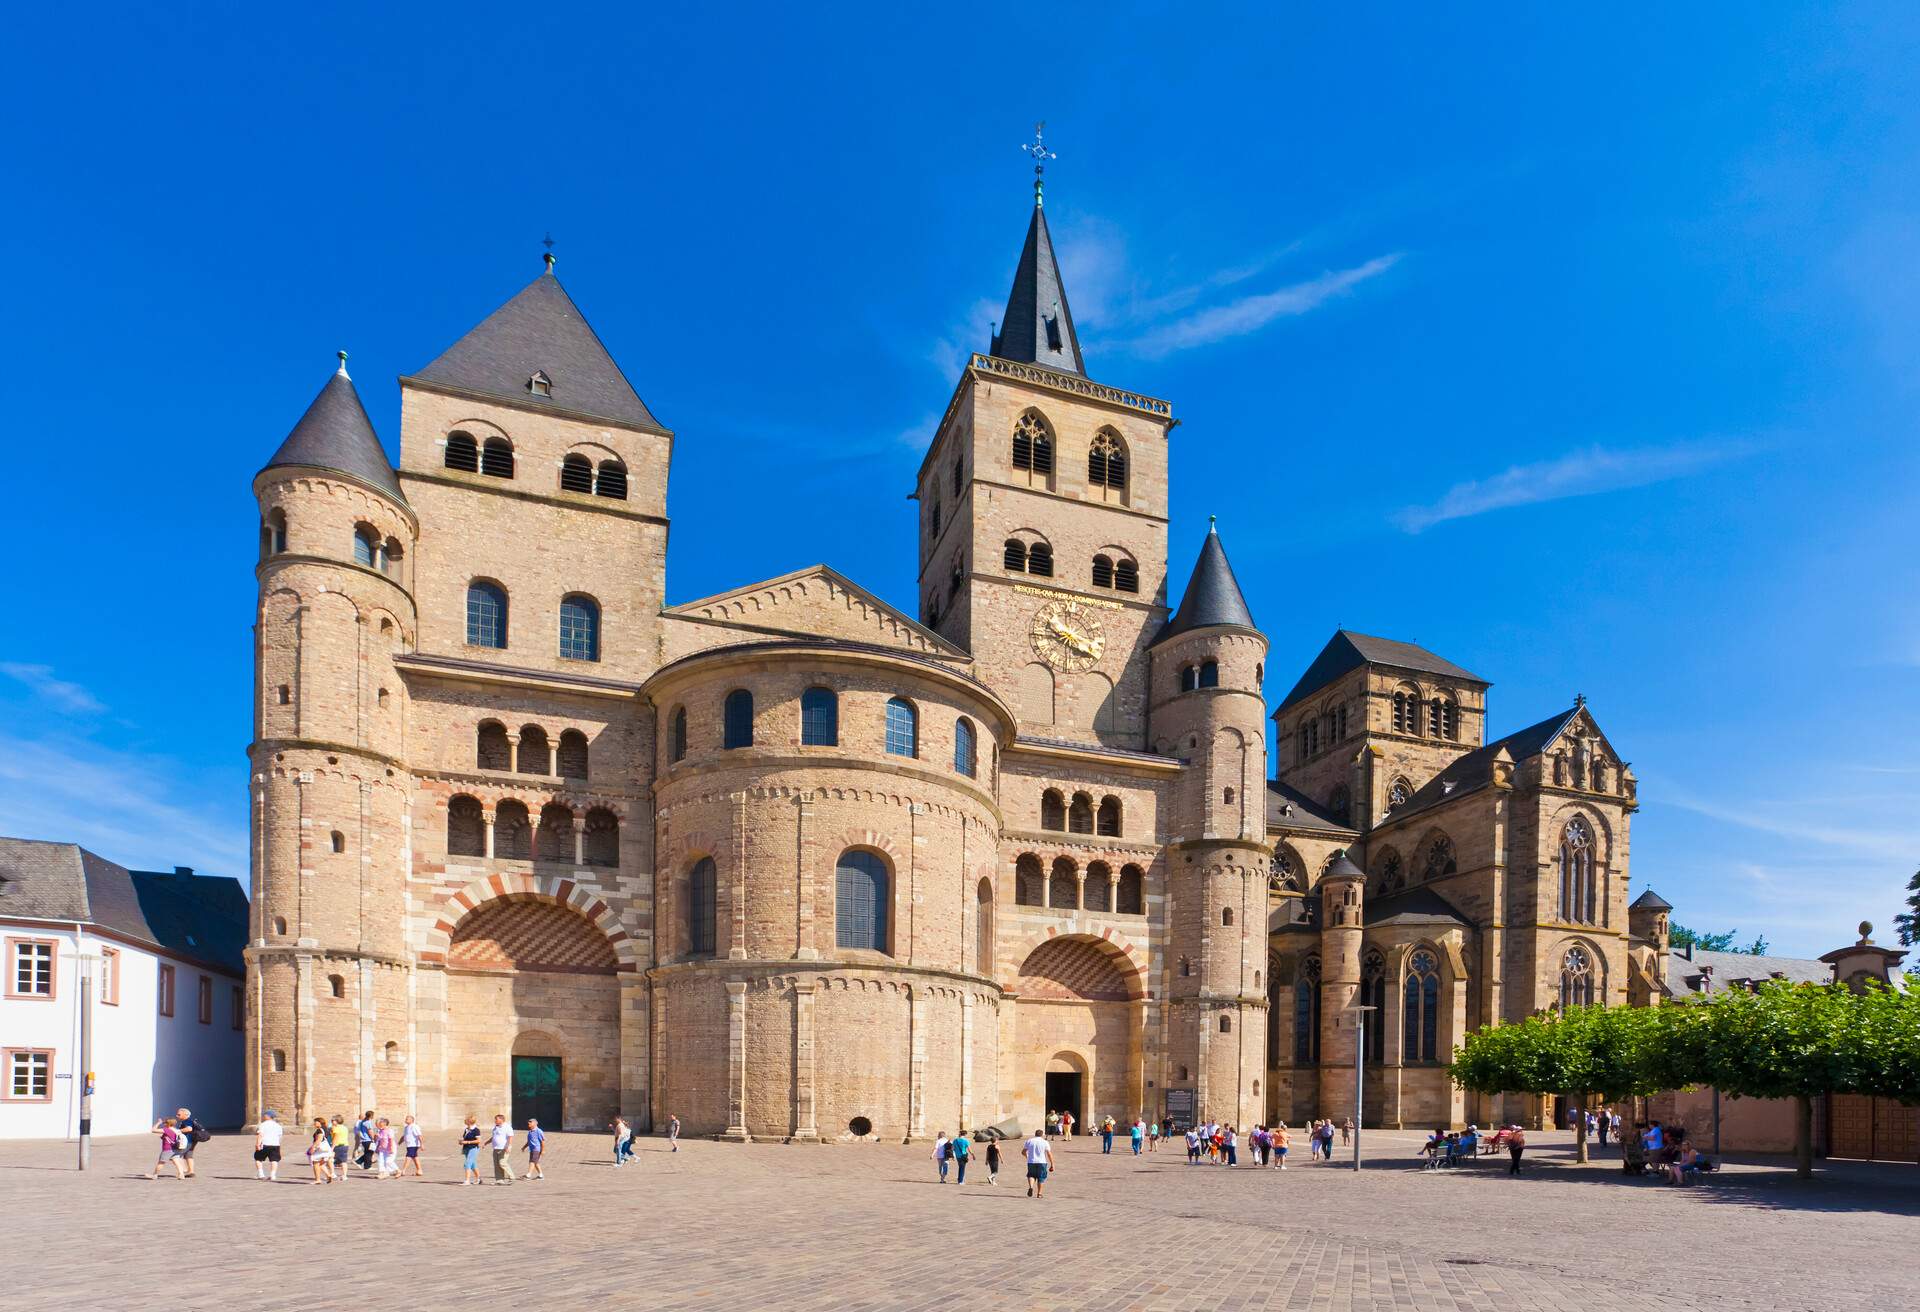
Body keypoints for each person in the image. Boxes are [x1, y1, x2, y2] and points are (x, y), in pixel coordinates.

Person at [144, 1116, 188, 1181]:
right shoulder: (176, 1130)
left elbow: (153, 1130)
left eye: (165, 1123)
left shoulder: (166, 1130)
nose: (164, 1124)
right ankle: (181, 1175)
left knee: (161, 1163)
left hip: (167, 1149)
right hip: (176, 1148)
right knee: (177, 1162)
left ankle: (155, 1175)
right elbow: (170, 1138)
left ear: (168, 1124)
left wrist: (158, 1123)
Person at [170, 1107, 203, 1178]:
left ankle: (182, 1170)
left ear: (185, 1114)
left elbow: (189, 1129)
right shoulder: (189, 1121)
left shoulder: (187, 1121)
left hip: (186, 1142)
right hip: (192, 1141)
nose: (177, 1116)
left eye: (179, 1114)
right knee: (189, 1156)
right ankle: (191, 1172)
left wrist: (177, 1131)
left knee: (173, 1156)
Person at [1023, 1128, 1055, 1198]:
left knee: (1031, 1175)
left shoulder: (1029, 1141)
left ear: (1035, 1134)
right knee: (1041, 1177)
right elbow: (1049, 1154)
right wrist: (1052, 1164)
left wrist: (1027, 1157)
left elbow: (1023, 1152)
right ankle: (1039, 1193)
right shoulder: (1045, 1142)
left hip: (1031, 1161)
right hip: (1042, 1162)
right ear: (1042, 1135)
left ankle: (1031, 1187)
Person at [254, 1110, 284, 1182]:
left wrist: (257, 1144)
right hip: (275, 1144)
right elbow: (280, 1136)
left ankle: (261, 1174)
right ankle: (273, 1175)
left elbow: (260, 1135)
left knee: (258, 1158)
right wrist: (278, 1143)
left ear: (268, 1116)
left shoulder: (263, 1125)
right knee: (274, 1160)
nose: (264, 1116)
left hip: (264, 1144)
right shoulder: (278, 1126)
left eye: (265, 1115)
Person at [489, 1114, 516, 1184]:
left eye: (496, 1119)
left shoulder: (507, 1127)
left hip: (504, 1148)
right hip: (496, 1148)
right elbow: (494, 1137)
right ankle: (499, 1180)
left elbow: (510, 1137)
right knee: (497, 1165)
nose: (495, 1121)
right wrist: (486, 1143)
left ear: (501, 1119)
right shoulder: (495, 1127)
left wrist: (507, 1146)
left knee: (502, 1163)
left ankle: (512, 1177)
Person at [308, 1118, 335, 1184]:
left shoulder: (319, 1130)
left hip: (320, 1149)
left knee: (315, 1162)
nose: (314, 1123)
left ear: (320, 1122)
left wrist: (312, 1147)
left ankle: (318, 1179)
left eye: (315, 1122)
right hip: (326, 1149)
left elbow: (319, 1140)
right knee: (321, 1164)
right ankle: (328, 1175)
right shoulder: (326, 1129)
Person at [459, 1115, 483, 1185]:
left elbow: (478, 1141)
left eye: (466, 1120)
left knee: (467, 1164)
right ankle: (478, 1179)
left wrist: (467, 1142)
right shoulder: (466, 1129)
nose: (465, 1121)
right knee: (473, 1164)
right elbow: (465, 1138)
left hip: (473, 1148)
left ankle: (467, 1180)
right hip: (466, 1148)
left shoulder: (476, 1130)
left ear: (469, 1122)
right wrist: (461, 1141)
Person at [329, 1115, 352, 1183]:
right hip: (345, 1145)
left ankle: (332, 1174)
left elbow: (335, 1138)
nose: (332, 1122)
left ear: (336, 1121)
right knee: (343, 1161)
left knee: (330, 1159)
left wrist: (332, 1147)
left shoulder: (336, 1128)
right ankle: (344, 1175)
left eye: (333, 1120)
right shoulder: (344, 1127)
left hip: (337, 1146)